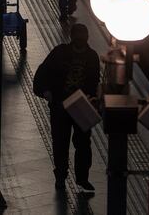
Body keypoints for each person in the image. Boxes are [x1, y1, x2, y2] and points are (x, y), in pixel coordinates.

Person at [33, 23, 99, 194]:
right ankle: (63, 176)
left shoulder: (90, 56)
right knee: (64, 142)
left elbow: (94, 81)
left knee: (80, 143)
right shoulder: (62, 53)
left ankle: (79, 177)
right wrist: (45, 91)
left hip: (80, 104)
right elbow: (43, 72)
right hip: (62, 104)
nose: (81, 42)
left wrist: (92, 98)